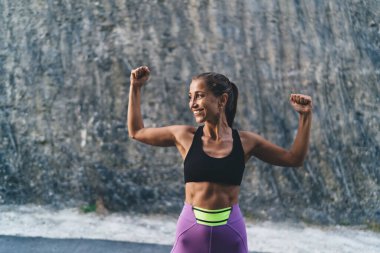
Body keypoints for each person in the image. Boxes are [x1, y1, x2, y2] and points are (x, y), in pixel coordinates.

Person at [127, 66, 312, 253]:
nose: (192, 103)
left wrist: (305, 116)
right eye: (190, 97)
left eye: (199, 96)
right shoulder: (184, 136)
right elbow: (137, 132)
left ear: (222, 100)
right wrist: (135, 87)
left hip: (231, 232)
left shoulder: (247, 142)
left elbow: (294, 158)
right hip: (190, 231)